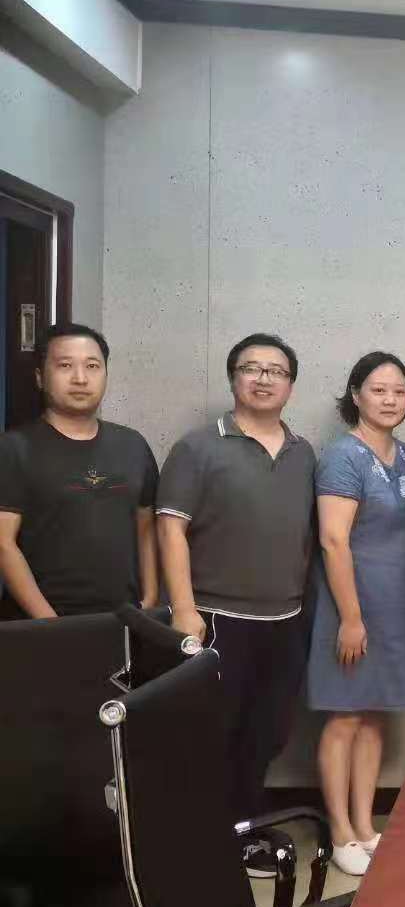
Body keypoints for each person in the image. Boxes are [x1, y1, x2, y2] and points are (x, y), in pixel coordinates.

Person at [157, 333, 316, 873]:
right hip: (218, 619)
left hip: (286, 619)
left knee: (267, 734)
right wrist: (184, 609)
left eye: (277, 371)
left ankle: (244, 830)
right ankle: (208, 844)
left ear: (290, 385)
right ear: (233, 378)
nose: (264, 378)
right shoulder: (198, 447)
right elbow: (170, 529)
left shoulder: (302, 452)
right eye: (252, 368)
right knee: (215, 736)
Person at [306, 353, 405, 876]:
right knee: (345, 716)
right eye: (378, 390)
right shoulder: (342, 456)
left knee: (376, 714)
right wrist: (351, 619)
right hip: (352, 606)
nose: (390, 400)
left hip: (397, 606)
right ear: (355, 395)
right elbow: (333, 541)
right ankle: (339, 831)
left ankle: (364, 823)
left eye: (399, 391)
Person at [0, 324, 159, 619]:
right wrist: (49, 622)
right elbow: (3, 544)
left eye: (92, 366)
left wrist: (149, 597)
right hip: (41, 624)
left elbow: (146, 526)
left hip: (124, 617)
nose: (80, 378)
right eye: (65, 365)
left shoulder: (133, 445)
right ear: (40, 377)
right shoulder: (13, 449)